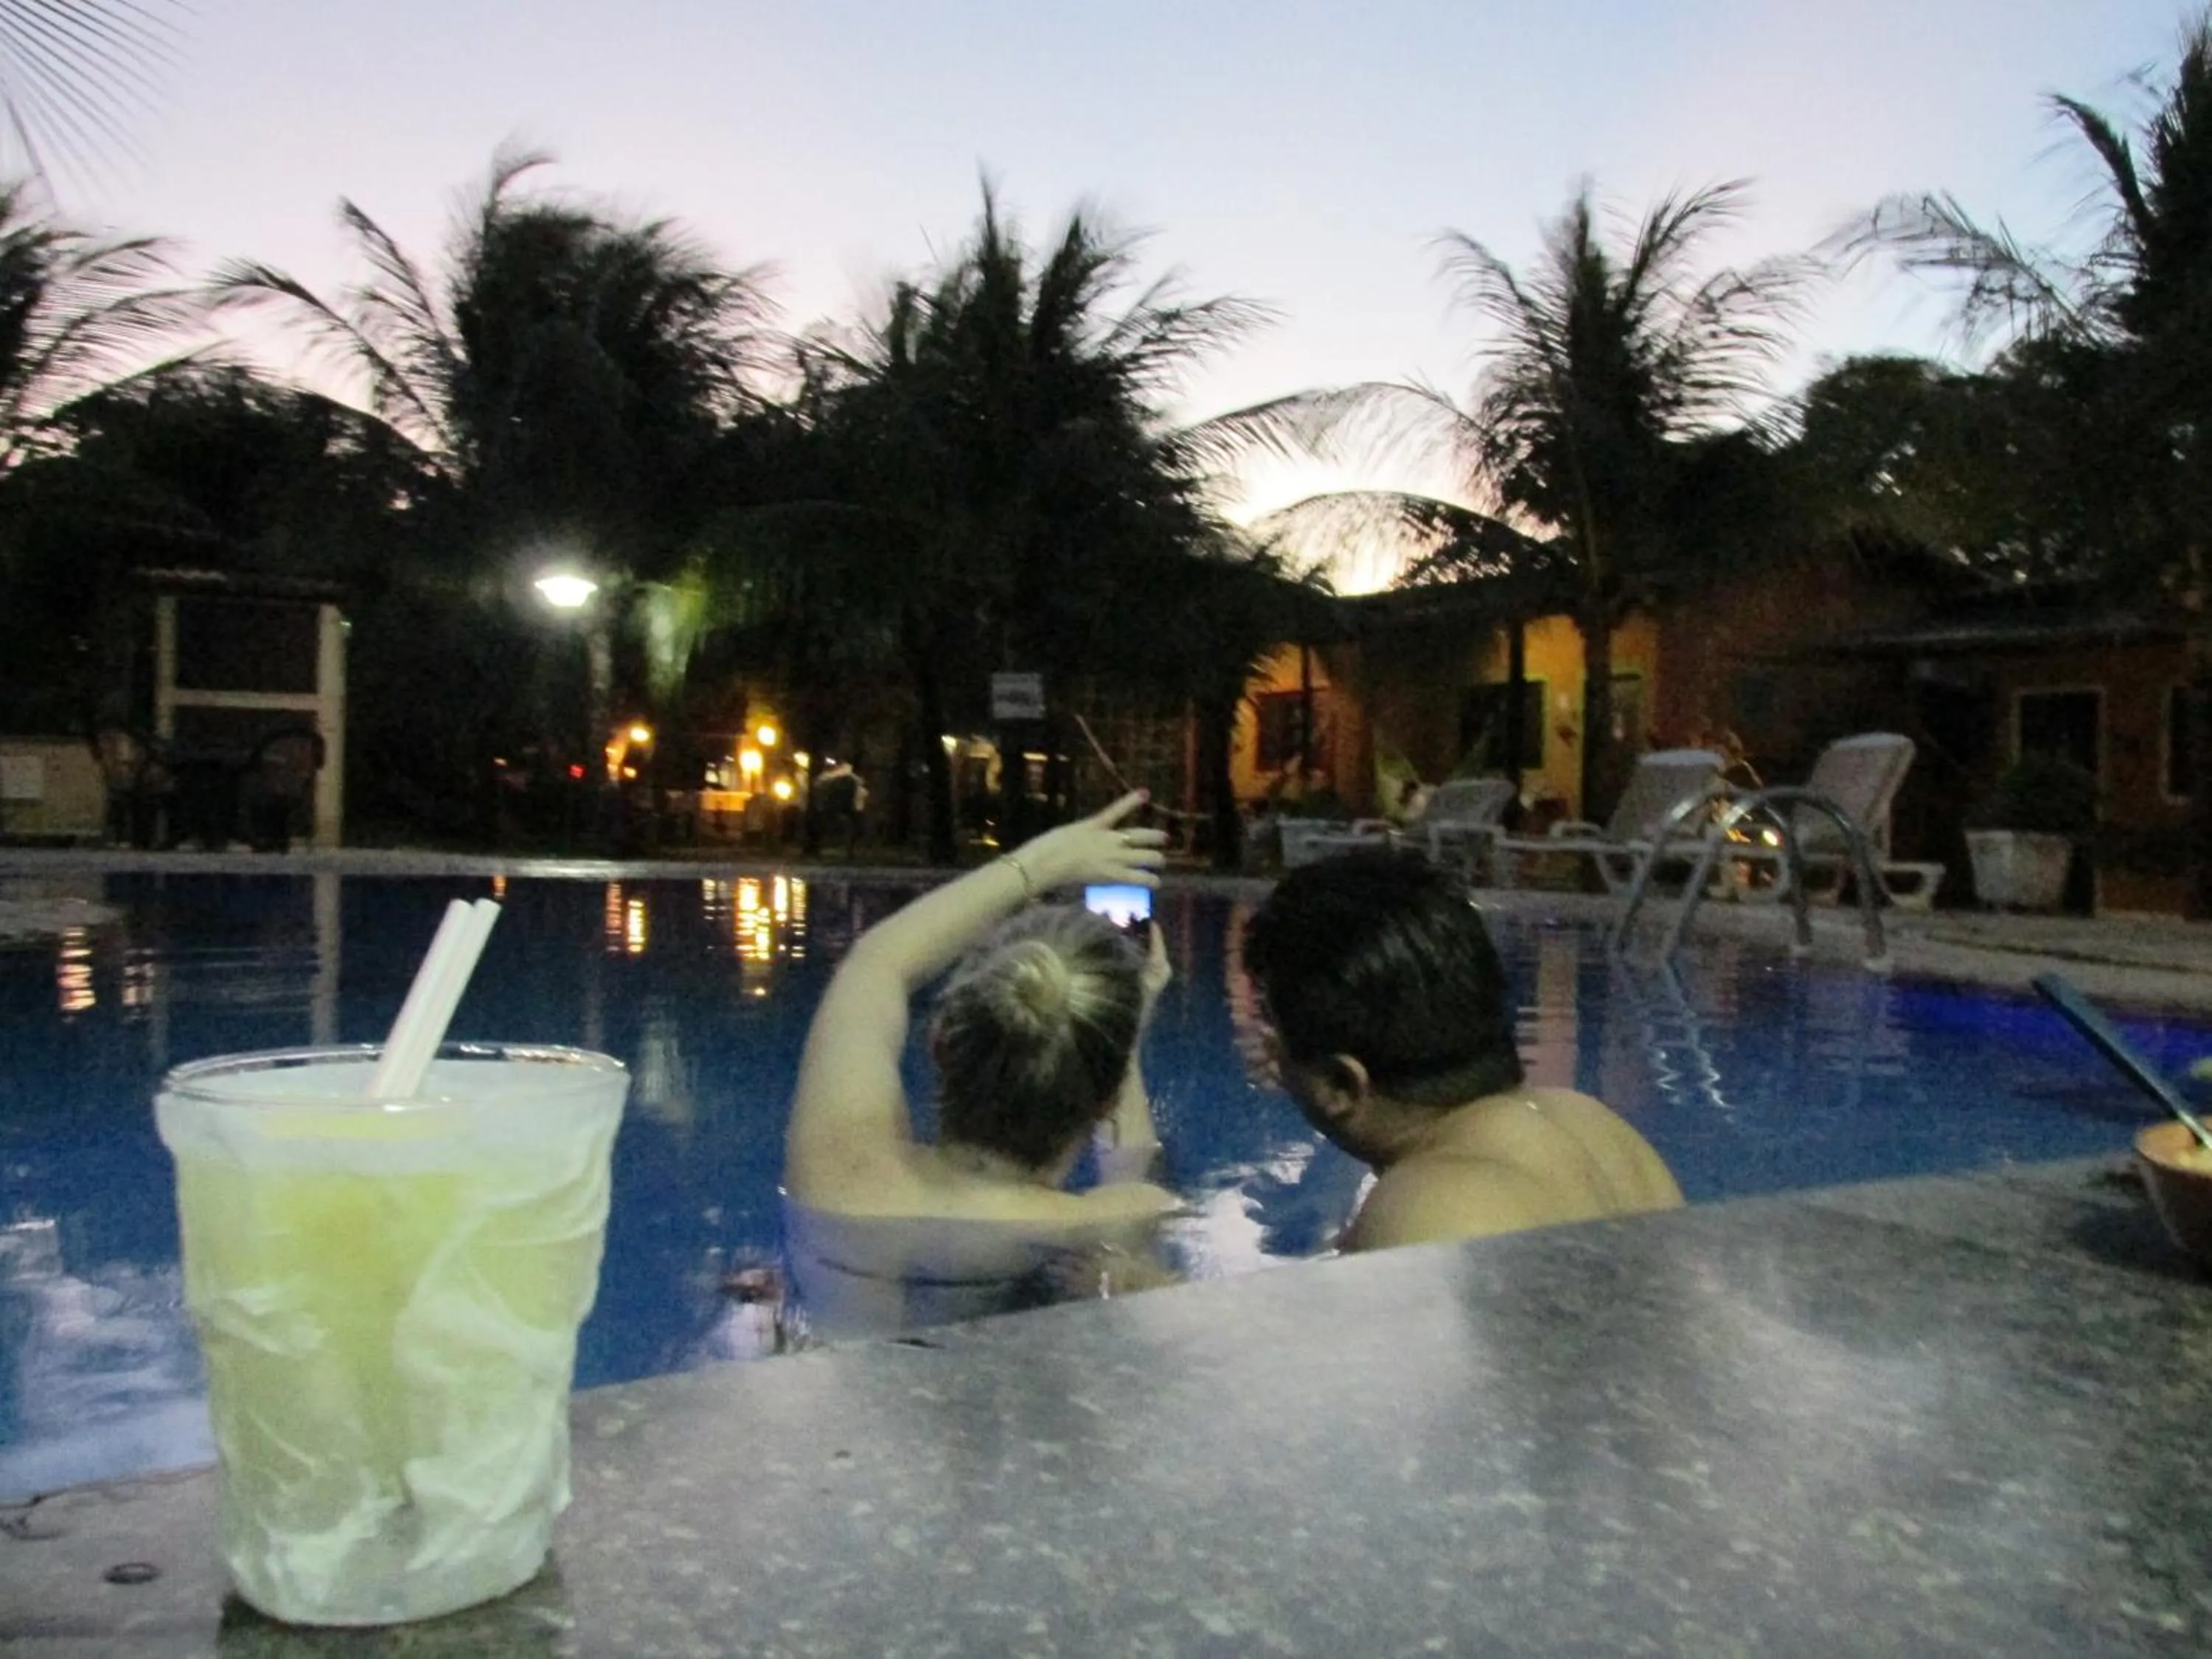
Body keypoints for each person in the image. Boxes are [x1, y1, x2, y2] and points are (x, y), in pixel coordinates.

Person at [782, 791, 1179, 1337]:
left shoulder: (834, 1175)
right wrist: (1124, 1045)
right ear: (1105, 1101)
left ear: (940, 1045)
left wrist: (1043, 862)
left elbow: (877, 961)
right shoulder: (1107, 1221)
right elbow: (1132, 1166)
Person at [1243, 848, 1682, 1252]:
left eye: (1273, 1022)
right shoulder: (1599, 1129)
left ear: (1341, 1083)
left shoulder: (1425, 1213)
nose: (1270, 1043)